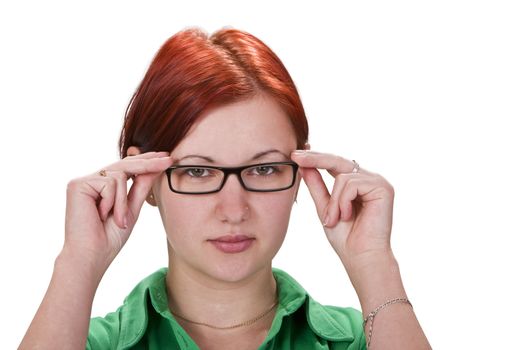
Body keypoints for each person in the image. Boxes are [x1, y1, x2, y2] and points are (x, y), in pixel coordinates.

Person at [19, 27, 431, 349]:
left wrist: (375, 263)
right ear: (146, 182)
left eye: (265, 169)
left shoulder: (364, 340)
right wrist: (78, 262)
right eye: (198, 173)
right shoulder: (87, 343)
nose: (233, 209)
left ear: (302, 176)